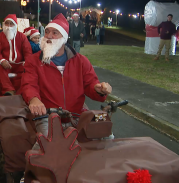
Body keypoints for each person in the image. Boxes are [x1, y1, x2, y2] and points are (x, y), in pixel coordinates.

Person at [21, 13, 112, 148]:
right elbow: (29, 84)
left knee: (105, 135)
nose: (49, 36)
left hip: (76, 115)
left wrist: (98, 89)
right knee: (48, 147)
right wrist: (34, 99)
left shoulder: (81, 61)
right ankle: (32, 168)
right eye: (46, 32)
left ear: (63, 38)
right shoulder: (34, 61)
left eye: (54, 33)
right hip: (47, 117)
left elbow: (90, 83)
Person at [0, 14, 32, 96]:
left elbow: (27, 51)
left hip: (19, 64)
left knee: (26, 71)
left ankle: (20, 92)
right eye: (7, 23)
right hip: (5, 64)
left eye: (11, 24)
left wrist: (26, 62)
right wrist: (2, 60)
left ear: (15, 25)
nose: (9, 26)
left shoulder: (22, 37)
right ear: (4, 24)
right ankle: (8, 90)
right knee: (0, 67)